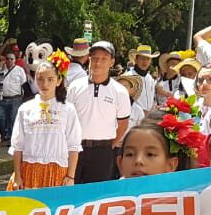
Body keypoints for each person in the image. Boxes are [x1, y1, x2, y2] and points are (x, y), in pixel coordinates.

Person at [10, 60, 81, 190]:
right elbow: (17, 145)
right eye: (40, 79)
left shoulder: (68, 109)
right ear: (35, 81)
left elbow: (73, 146)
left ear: (58, 81)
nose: (45, 84)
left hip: (58, 172)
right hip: (29, 171)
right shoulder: (25, 108)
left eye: (50, 79)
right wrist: (18, 177)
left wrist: (70, 176)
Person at [68, 41, 131, 183]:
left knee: (97, 196)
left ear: (112, 62)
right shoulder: (75, 87)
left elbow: (123, 124)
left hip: (103, 151)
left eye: (104, 59)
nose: (98, 63)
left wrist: (110, 146)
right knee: (71, 191)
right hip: (75, 149)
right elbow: (67, 120)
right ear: (89, 59)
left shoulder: (119, 91)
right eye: (95, 58)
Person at [0, 48, 27, 139]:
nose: (9, 60)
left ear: (15, 60)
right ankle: (6, 132)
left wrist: (23, 97)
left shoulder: (19, 70)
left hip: (15, 98)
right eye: (8, 58)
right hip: (2, 98)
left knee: (13, 118)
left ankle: (11, 137)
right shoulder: (0, 69)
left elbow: (24, 83)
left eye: (12, 59)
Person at [126, 45, 160, 112]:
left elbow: (152, 98)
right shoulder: (128, 77)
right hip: (133, 118)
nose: (145, 62)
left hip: (148, 118)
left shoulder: (150, 78)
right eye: (142, 58)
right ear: (136, 60)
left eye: (147, 59)